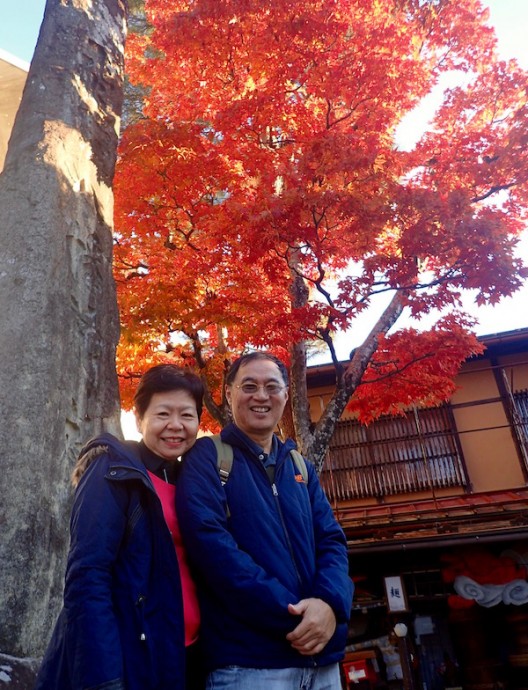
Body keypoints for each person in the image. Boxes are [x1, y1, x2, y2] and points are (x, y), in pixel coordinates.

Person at [177, 351, 353, 690]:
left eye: (272, 386)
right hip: (248, 664)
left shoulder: (299, 465)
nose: (261, 395)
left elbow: (332, 540)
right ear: (229, 394)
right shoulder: (207, 458)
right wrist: (296, 616)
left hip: (322, 663)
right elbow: (213, 550)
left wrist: (330, 604)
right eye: (249, 385)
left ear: (286, 395)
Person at [34, 364, 205, 690]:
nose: (175, 426)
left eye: (187, 415)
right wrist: (105, 679)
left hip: (185, 657)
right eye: (162, 414)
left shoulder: (191, 480)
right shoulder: (113, 470)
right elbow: (87, 578)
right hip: (131, 658)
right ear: (139, 419)